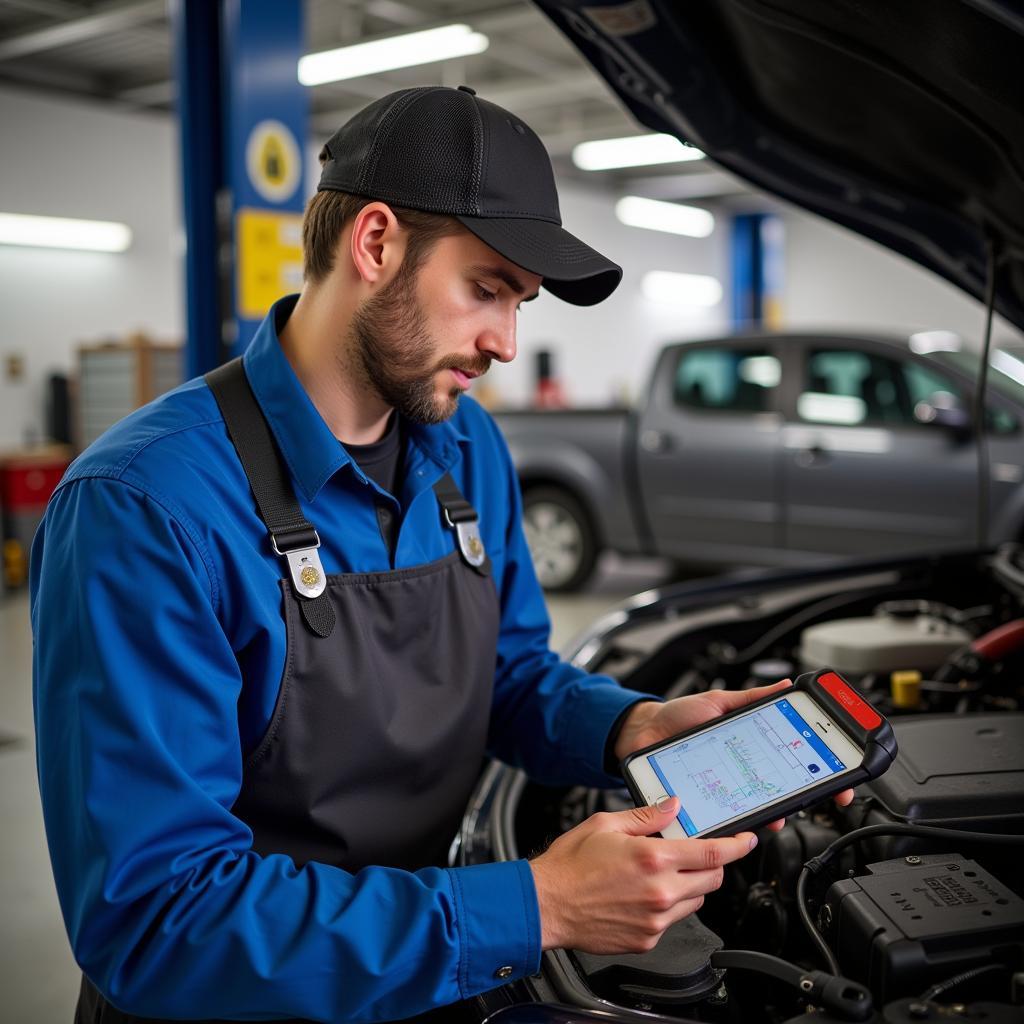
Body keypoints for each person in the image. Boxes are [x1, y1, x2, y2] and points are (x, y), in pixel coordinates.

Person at [31, 85, 853, 1024]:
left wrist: (630, 729)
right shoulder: (147, 509)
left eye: (522, 302)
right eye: (487, 288)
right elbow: (156, 919)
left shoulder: (466, 452)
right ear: (374, 244)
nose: (506, 342)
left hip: (433, 977)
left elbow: (501, 675)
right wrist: (536, 905)